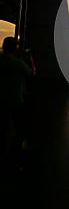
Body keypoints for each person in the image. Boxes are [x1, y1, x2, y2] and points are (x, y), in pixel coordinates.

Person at [0, 36, 35, 168]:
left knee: (3, 126)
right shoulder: (16, 62)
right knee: (20, 127)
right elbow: (31, 74)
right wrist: (30, 59)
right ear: (15, 47)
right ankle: (15, 154)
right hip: (14, 99)